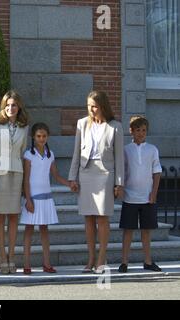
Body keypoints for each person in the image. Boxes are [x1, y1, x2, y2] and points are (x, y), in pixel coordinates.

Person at [68, 90, 124, 274]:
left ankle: (102, 258)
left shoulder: (115, 126)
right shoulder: (82, 124)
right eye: (89, 106)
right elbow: (76, 152)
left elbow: (119, 158)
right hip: (86, 172)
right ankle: (91, 257)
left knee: (102, 217)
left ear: (103, 106)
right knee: (88, 218)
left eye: (95, 106)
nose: (91, 110)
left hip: (106, 174)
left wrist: (119, 183)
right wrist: (72, 177)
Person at [0, 90, 29, 274]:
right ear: (4, 107)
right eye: (8, 105)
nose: (11, 108)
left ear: (19, 107)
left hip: (16, 173)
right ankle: (2, 256)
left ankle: (12, 256)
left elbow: (22, 151)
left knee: (13, 217)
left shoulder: (24, 126)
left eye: (14, 105)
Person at [20, 123, 70, 274]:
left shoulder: (51, 154)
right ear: (33, 137)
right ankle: (26, 264)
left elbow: (55, 175)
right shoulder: (29, 155)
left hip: (46, 197)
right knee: (29, 230)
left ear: (48, 137)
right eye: (38, 136)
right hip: (33, 197)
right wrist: (28, 199)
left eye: (44, 136)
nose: (41, 139)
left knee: (44, 230)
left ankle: (46, 263)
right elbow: (26, 179)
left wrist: (69, 184)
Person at [118, 116, 162, 273]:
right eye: (138, 130)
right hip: (130, 197)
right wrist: (120, 188)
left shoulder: (152, 149)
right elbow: (121, 171)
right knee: (128, 230)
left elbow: (157, 172)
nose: (141, 133)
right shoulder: (125, 150)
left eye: (144, 130)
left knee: (146, 230)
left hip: (147, 197)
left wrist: (154, 193)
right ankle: (124, 262)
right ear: (131, 131)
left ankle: (148, 261)